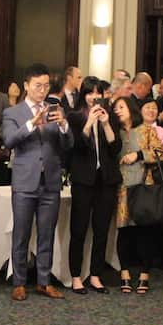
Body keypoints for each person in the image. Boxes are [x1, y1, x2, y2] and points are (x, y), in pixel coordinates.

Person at [1, 63, 72, 301]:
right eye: (37, 86)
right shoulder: (13, 112)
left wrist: (63, 125)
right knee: (21, 234)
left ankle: (44, 281)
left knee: (46, 234)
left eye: (46, 86)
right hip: (25, 181)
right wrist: (32, 123)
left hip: (50, 181)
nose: (42, 90)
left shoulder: (55, 110)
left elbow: (68, 144)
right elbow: (9, 140)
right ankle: (19, 282)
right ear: (26, 85)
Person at [66, 77, 121, 294]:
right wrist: (89, 123)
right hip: (83, 180)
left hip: (106, 180)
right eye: (90, 93)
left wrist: (106, 124)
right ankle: (76, 276)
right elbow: (77, 147)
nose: (94, 97)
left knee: (101, 230)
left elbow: (115, 148)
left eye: (98, 93)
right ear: (83, 95)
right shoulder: (74, 117)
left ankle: (96, 275)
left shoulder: (110, 116)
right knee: (78, 229)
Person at [115, 96, 163, 294]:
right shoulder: (114, 131)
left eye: (121, 107)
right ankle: (124, 274)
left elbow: (161, 153)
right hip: (121, 188)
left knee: (145, 231)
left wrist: (139, 155)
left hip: (144, 185)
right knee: (124, 231)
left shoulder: (146, 130)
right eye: (115, 108)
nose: (117, 111)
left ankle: (144, 275)